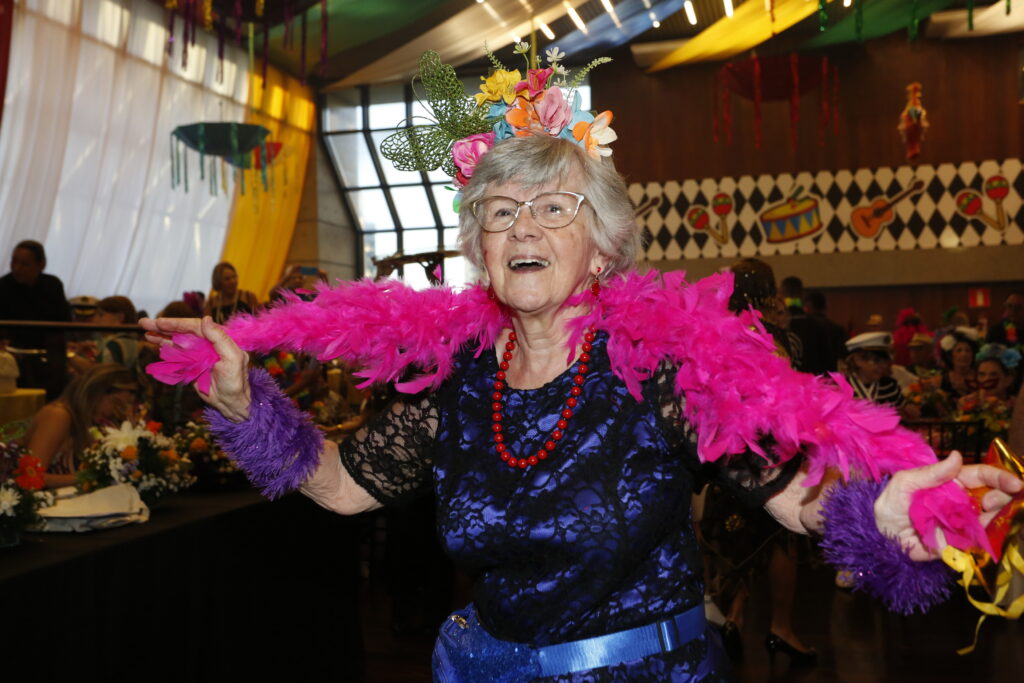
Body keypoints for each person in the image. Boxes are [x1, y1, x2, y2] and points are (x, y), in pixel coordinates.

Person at [141, 50, 1020, 680]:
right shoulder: (461, 387)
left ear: (601, 252)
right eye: (499, 211)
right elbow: (339, 487)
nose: (522, 226)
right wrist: (239, 398)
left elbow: (796, 498)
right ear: (479, 250)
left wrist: (890, 512)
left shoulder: (661, 372)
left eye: (553, 207)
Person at [20, 364, 136, 488]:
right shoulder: (58, 416)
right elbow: (30, 477)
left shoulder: (94, 420)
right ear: (96, 392)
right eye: (115, 402)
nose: (114, 411)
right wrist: (90, 478)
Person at [0, 240, 72, 398]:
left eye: (24, 264)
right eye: (14, 261)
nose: (16, 268)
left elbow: (64, 322)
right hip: (13, 357)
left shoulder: (52, 285)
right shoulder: (3, 286)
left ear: (41, 264)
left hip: (49, 360)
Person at [778, 277, 831, 375]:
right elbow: (828, 365)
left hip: (786, 383)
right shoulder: (818, 325)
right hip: (814, 382)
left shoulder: (775, 326)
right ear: (802, 295)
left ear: (781, 294)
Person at [843, 332, 905, 408]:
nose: (883, 366)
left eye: (885, 361)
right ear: (858, 360)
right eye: (877, 361)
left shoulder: (889, 386)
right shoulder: (840, 387)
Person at [804, 290, 846, 373]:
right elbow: (842, 358)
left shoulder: (803, 328)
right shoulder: (837, 329)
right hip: (830, 377)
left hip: (807, 376)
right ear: (826, 306)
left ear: (808, 306)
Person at [939, 327, 981, 400]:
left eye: (968, 350)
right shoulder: (944, 379)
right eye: (959, 350)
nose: (964, 354)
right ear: (951, 356)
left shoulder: (980, 376)